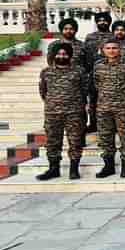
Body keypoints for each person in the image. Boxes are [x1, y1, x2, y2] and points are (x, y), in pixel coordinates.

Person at [91, 39, 125, 178]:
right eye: (108, 48)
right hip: (104, 107)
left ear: (119, 49)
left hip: (123, 107)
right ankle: (109, 166)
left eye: (114, 48)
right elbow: (96, 84)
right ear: (103, 50)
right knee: (105, 137)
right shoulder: (98, 65)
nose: (111, 50)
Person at [37, 42, 88, 181]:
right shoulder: (46, 72)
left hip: (74, 112)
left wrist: (77, 103)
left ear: (69, 55)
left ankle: (74, 169)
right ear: (54, 55)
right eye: (59, 53)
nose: (62, 56)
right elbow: (43, 91)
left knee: (75, 141)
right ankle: (54, 169)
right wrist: (53, 103)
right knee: (52, 142)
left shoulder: (79, 71)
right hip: (52, 113)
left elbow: (85, 90)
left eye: (64, 53)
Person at [85, 11, 113, 133]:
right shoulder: (90, 37)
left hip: (110, 73)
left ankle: (111, 125)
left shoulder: (113, 36)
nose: (102, 22)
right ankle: (93, 123)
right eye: (100, 20)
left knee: (110, 100)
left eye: (105, 20)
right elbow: (85, 54)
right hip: (93, 72)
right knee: (93, 100)